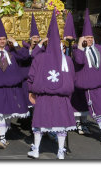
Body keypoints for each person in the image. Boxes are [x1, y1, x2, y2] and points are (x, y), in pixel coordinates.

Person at [27, 10, 76, 159]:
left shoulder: (40, 58)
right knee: (60, 123)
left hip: (44, 96)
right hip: (60, 97)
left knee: (40, 123)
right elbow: (72, 78)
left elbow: (31, 76)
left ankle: (37, 149)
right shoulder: (66, 60)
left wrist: (31, 91)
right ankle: (60, 150)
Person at [0, 10, 29, 149]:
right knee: (0, 115)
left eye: (4, 39)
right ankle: (2, 138)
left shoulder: (12, 52)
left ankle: (3, 133)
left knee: (7, 115)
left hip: (12, 89)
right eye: (0, 39)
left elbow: (25, 57)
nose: (2, 41)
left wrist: (15, 44)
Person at [73, 9, 101, 145]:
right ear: (83, 39)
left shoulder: (100, 48)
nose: (90, 40)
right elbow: (79, 61)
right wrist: (80, 45)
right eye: (87, 38)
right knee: (98, 110)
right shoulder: (77, 50)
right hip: (91, 86)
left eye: (91, 38)